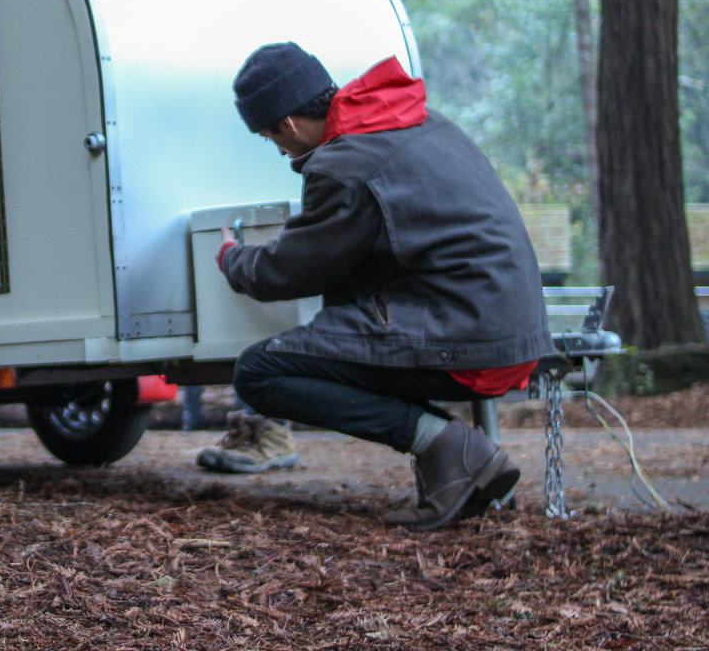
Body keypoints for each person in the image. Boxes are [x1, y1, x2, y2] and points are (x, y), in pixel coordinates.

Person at [216, 42, 551, 531]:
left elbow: (288, 271)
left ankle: (450, 449)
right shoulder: (417, 122)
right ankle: (458, 460)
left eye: (271, 138)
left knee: (259, 373)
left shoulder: (343, 162)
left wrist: (232, 257)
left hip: (471, 338)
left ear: (286, 125)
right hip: (508, 325)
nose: (281, 150)